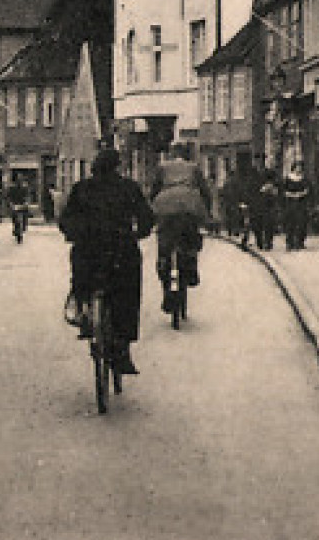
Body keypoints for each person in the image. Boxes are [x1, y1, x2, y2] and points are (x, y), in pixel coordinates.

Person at [59, 146, 156, 375]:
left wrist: (73, 234)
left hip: (88, 251)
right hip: (121, 251)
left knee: (81, 276)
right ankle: (123, 347)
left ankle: (82, 311)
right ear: (117, 167)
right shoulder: (128, 189)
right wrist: (139, 233)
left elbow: (66, 219)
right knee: (129, 293)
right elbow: (146, 218)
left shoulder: (81, 189)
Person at [149, 142, 212, 314]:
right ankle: (191, 267)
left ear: (171, 154)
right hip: (190, 205)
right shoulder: (194, 168)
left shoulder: (162, 167)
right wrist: (208, 213)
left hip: (165, 206)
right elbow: (205, 192)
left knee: (164, 246)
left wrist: (153, 208)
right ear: (187, 154)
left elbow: (154, 190)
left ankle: (165, 282)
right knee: (192, 237)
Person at [280, 160, 311, 251]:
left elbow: (308, 190)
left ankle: (299, 242)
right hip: (289, 203)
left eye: (301, 167)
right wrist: (290, 194)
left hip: (301, 204)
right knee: (290, 223)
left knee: (301, 223)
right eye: (297, 167)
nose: (299, 169)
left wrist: (303, 194)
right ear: (294, 168)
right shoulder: (288, 179)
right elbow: (283, 191)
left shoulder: (304, 179)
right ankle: (289, 243)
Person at [250, 166, 280, 251]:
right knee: (257, 224)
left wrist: (273, 190)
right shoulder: (253, 175)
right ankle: (260, 241)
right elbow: (250, 189)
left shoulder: (271, 174)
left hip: (269, 205)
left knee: (269, 224)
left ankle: (268, 242)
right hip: (257, 204)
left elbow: (278, 188)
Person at [220, 160, 250, 242]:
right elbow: (241, 192)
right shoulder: (236, 183)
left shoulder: (227, 183)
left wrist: (223, 201)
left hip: (230, 202)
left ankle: (231, 231)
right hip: (234, 202)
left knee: (230, 216)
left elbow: (223, 193)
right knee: (235, 216)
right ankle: (235, 231)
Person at [6, 175, 31, 243]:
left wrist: (26, 203)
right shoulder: (12, 188)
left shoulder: (24, 188)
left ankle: (22, 228)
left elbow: (27, 196)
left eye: (20, 180)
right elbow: (8, 197)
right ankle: (16, 229)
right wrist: (11, 204)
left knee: (24, 217)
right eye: (18, 181)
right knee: (15, 218)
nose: (19, 182)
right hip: (15, 205)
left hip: (22, 206)